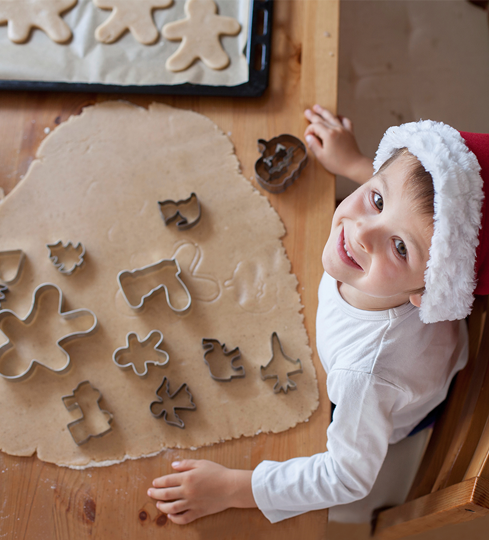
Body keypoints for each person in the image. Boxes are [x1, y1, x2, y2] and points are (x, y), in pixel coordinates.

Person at [147, 105, 489, 524]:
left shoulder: (362, 376)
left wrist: (237, 488)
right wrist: (354, 162)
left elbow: (346, 476)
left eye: (400, 247)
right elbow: (408, 204)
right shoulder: (418, 263)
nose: (362, 232)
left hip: (390, 414)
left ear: (428, 291)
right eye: (376, 198)